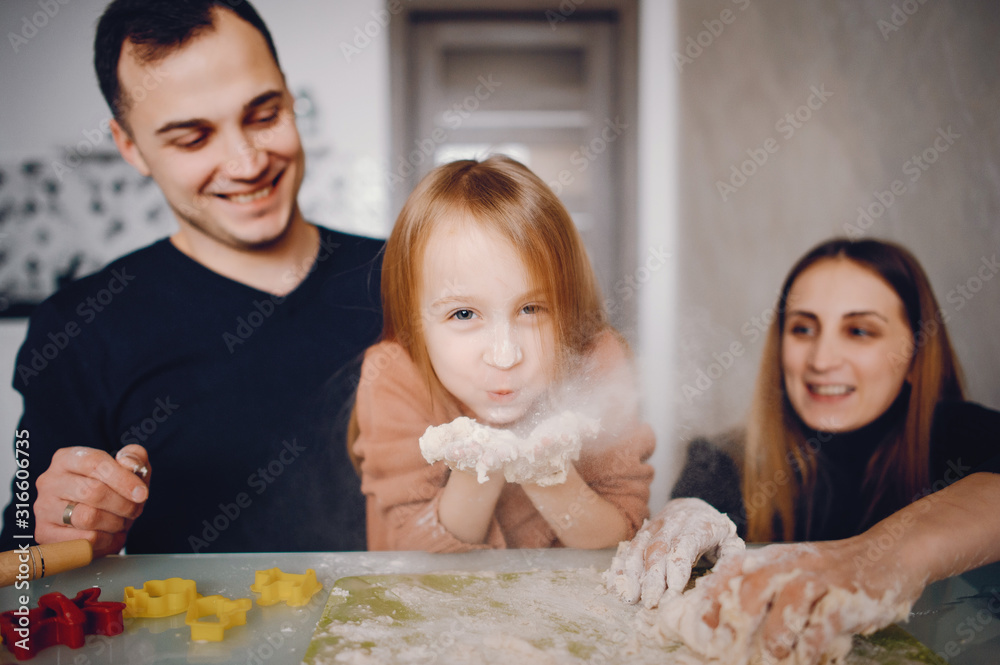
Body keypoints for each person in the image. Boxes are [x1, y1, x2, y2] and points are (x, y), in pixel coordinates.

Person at [0, 0, 383, 556]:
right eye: (192, 138)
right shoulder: (77, 330)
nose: (246, 162)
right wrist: (55, 534)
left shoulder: (416, 277)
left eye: (264, 114)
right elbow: (20, 583)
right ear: (131, 147)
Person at [607, 237, 1000, 663]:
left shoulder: (962, 438)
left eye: (859, 331)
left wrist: (885, 556)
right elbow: (702, 510)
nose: (822, 358)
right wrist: (688, 511)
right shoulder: (724, 460)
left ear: (915, 354)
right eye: (803, 329)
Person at [350, 155, 655, 552]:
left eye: (531, 309)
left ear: (569, 311)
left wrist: (547, 473)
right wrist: (482, 464)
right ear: (414, 324)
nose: (505, 356)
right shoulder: (395, 375)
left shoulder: (595, 361)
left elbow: (624, 539)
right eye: (463, 313)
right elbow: (410, 555)